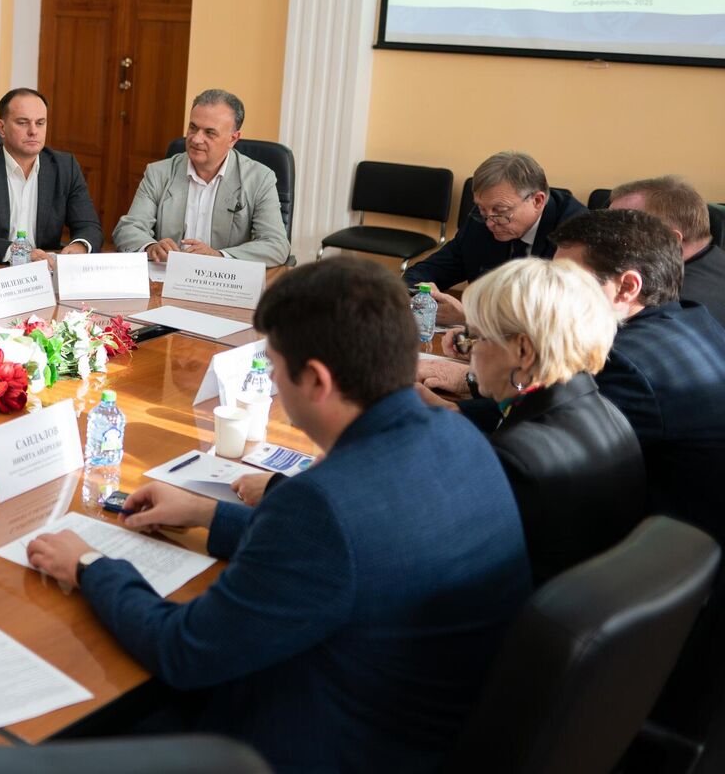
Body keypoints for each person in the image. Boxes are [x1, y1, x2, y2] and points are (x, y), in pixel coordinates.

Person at [27, 256, 528, 770]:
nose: (271, 381)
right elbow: (348, 555)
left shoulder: (322, 505)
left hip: (322, 745)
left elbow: (184, 650)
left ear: (315, 380)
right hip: (436, 728)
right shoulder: (458, 434)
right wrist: (206, 512)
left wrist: (89, 565)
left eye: (273, 366)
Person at [423, 209, 725, 548]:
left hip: (658, 547)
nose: (552, 292)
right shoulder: (693, 317)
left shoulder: (626, 364)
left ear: (627, 287)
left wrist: (455, 404)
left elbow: (541, 439)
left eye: (568, 280)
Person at [422, 259, 643, 583]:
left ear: (523, 351)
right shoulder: (604, 410)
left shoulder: (515, 457)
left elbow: (449, 552)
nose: (468, 351)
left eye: (476, 337)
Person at [403, 151, 587, 324]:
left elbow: (560, 319)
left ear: (537, 201)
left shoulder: (576, 235)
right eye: (482, 209)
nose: (490, 223)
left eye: (501, 211)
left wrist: (471, 318)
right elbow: (428, 270)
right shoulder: (483, 219)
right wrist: (421, 293)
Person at [109, 89, 288, 265]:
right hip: (166, 276)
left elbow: (276, 245)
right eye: (193, 128)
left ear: (233, 139)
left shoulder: (259, 179)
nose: (196, 139)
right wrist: (151, 247)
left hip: (223, 279)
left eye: (209, 132)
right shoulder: (159, 173)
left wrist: (219, 256)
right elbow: (127, 230)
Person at [0, 88, 103, 262]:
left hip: (45, 268)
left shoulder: (66, 167)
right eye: (23, 123)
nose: (33, 131)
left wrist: (80, 246)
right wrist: (18, 253)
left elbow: (89, 226)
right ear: (1, 128)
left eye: (40, 123)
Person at [611, 175, 725, 324]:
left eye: (620, 230)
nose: (605, 237)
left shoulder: (672, 305)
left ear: (671, 240)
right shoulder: (716, 260)